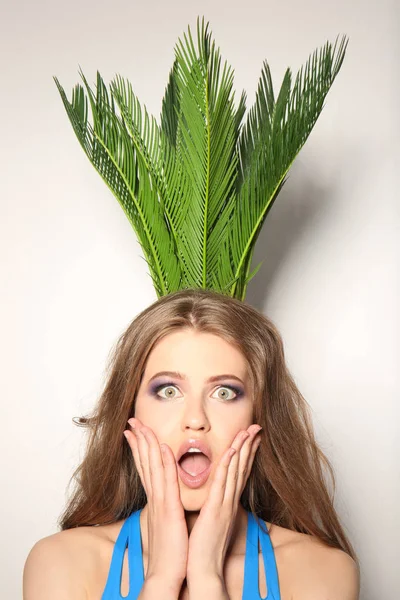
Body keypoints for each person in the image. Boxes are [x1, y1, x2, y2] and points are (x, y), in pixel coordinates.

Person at [23, 287, 360, 599]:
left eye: (225, 392)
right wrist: (162, 578)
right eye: (168, 391)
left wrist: (208, 578)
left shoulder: (322, 570)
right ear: (130, 410)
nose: (195, 418)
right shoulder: (60, 562)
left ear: (259, 417)